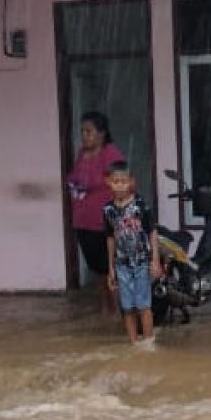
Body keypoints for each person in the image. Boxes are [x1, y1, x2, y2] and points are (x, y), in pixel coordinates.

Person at [66, 111, 125, 312]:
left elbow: (120, 183)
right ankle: (105, 312)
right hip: (83, 222)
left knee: (111, 270)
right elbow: (75, 178)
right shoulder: (82, 155)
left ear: (101, 133)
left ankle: (118, 312)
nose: (84, 136)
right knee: (98, 272)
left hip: (106, 222)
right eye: (83, 131)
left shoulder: (110, 153)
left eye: (89, 131)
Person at [103, 161, 161, 345]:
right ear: (109, 183)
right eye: (115, 181)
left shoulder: (140, 205)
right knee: (127, 308)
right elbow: (110, 238)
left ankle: (149, 343)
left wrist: (155, 261)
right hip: (121, 265)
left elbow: (152, 232)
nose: (119, 185)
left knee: (144, 306)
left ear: (131, 182)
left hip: (142, 262)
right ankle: (134, 344)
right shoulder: (108, 210)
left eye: (123, 181)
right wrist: (111, 268)